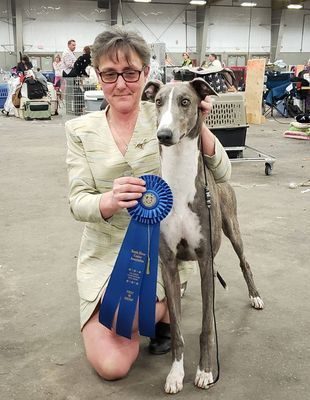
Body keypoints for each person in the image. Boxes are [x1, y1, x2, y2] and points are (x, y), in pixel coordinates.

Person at [65, 27, 231, 381]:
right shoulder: (79, 129)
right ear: (98, 75)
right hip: (104, 251)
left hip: (159, 252)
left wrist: (199, 122)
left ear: (145, 75)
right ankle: (163, 314)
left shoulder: (166, 111)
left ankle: (166, 312)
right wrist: (108, 201)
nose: (121, 83)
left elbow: (222, 171)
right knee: (113, 365)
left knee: (131, 333)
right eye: (110, 73)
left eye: (131, 73)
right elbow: (77, 201)